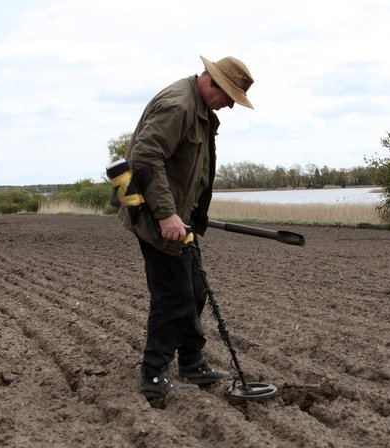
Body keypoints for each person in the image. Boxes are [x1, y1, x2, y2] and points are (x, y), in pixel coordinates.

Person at [114, 55, 255, 399]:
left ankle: (192, 363)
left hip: (181, 216)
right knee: (174, 295)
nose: (230, 107)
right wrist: (165, 215)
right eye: (230, 98)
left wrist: (187, 214)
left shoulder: (201, 108)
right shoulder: (179, 105)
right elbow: (145, 156)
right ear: (212, 83)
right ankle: (154, 375)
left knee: (195, 289)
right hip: (157, 218)